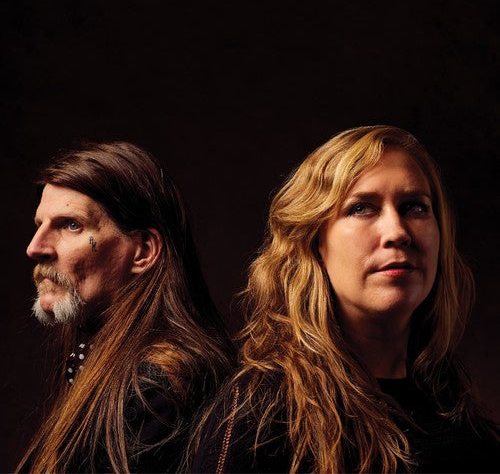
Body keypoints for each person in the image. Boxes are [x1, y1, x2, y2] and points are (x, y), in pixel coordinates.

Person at [192, 126, 500, 473]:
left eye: (414, 207)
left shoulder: (462, 421)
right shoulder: (260, 411)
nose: (397, 232)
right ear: (314, 243)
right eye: (362, 208)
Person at [18, 141, 234, 473]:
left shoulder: (155, 388)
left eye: (71, 225)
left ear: (143, 251)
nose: (35, 248)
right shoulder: (111, 362)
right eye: (39, 225)